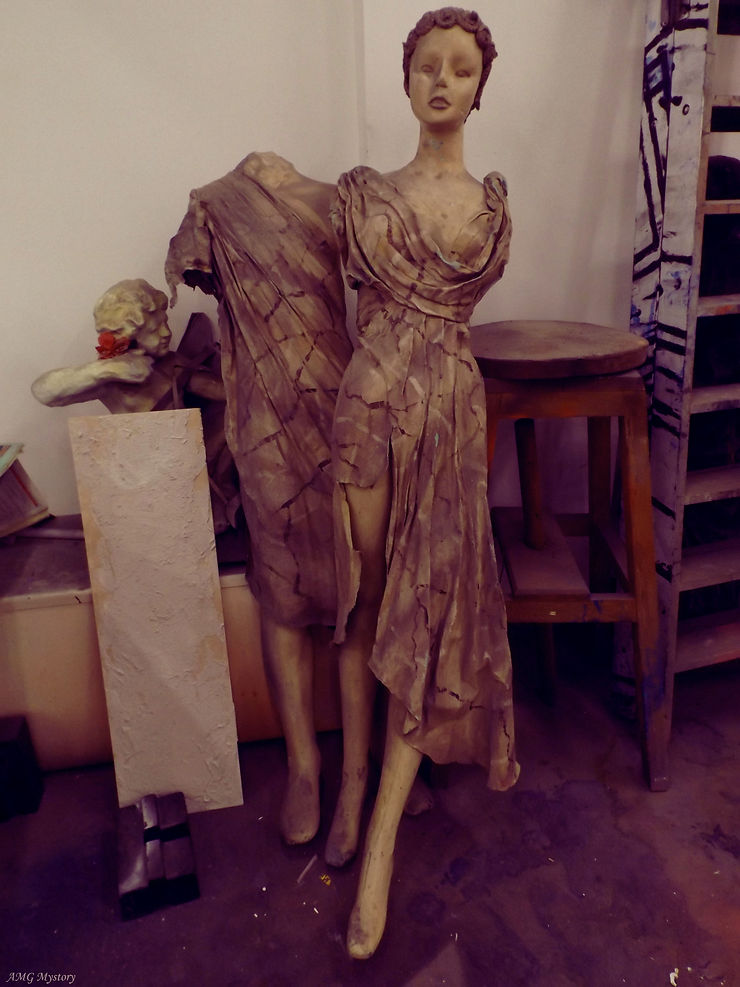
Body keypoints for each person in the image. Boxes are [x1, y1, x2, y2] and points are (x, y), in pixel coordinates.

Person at [329, 8, 519, 957]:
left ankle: (381, 851)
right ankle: (351, 785)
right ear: (406, 79)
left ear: (480, 88)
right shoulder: (363, 195)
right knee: (363, 601)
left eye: (461, 68)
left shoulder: (492, 206)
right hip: (369, 407)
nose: (442, 81)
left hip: (448, 411)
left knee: (427, 611)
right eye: (427, 66)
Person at [31, 278, 240, 533]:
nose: (166, 333)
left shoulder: (171, 363)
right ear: (128, 334)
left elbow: (223, 393)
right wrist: (104, 370)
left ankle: (221, 495)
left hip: (185, 462)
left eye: (165, 322)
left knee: (236, 417)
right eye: (154, 329)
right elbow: (44, 391)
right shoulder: (111, 378)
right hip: (141, 472)